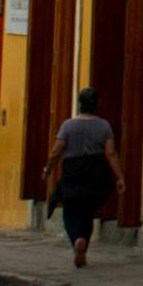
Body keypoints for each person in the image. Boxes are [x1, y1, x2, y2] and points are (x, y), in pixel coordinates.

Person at [45, 87, 124, 267]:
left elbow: (56, 151)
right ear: (97, 105)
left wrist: (48, 169)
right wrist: (119, 177)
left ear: (80, 105)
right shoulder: (104, 126)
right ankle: (84, 243)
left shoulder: (68, 125)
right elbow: (111, 153)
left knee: (70, 213)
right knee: (88, 214)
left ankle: (76, 240)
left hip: (73, 174)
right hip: (95, 175)